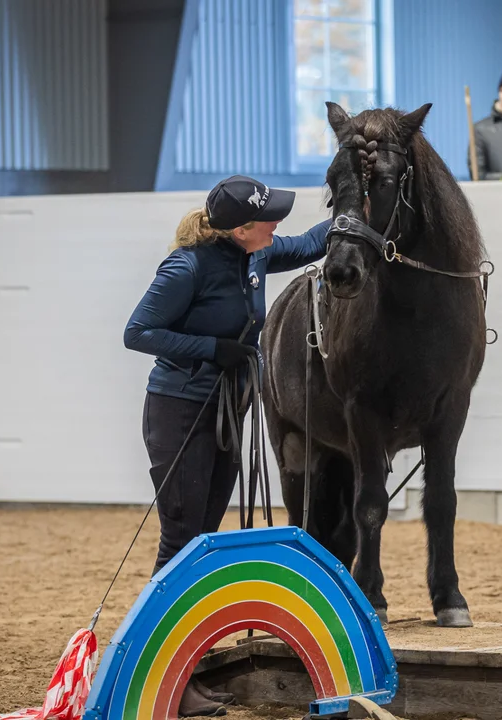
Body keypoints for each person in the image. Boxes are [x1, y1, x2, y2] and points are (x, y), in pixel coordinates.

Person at [123, 175, 330, 716]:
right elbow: (138, 332)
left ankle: (184, 667)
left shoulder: (254, 257)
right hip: (180, 411)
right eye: (269, 219)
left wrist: (358, 210)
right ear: (242, 229)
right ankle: (164, 679)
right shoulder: (186, 267)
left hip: (225, 411)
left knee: (201, 541)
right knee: (181, 541)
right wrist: (212, 348)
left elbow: (310, 243)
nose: (277, 224)